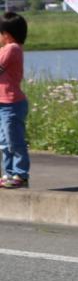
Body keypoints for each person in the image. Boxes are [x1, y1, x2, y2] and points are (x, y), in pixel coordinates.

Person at [0, 12, 30, 189]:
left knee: (14, 141)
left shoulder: (13, 49)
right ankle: (9, 173)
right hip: (3, 103)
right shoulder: (7, 49)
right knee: (4, 142)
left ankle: (21, 175)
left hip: (12, 103)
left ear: (7, 34)